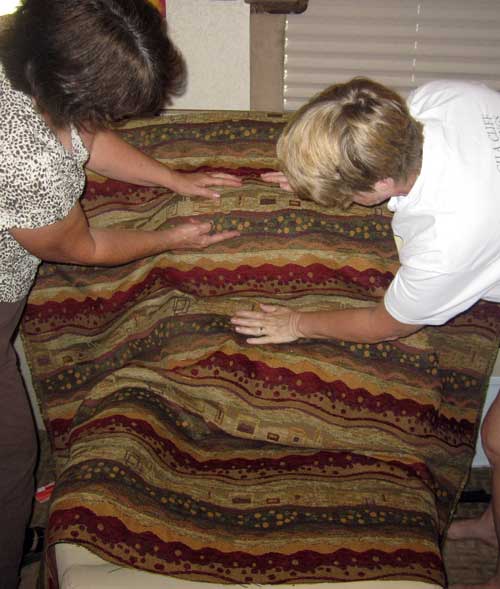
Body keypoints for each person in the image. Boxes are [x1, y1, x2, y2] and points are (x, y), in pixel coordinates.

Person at [0, 1, 242, 586]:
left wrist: (172, 177)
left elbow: (83, 138)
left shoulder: (25, 65)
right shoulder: (29, 163)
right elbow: (79, 247)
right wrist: (170, 238)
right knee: (11, 454)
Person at [230, 76, 500, 589]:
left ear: (378, 187)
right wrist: (315, 175)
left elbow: (387, 324)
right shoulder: (440, 100)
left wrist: (295, 322)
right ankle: (494, 526)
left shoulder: (448, 240)